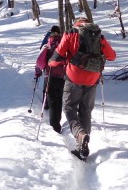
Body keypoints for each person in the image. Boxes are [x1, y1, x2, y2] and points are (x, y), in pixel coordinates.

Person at [49, 17, 116, 160]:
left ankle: (80, 134)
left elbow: (56, 58)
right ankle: (82, 147)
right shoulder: (98, 36)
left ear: (77, 24)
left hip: (74, 77)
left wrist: (51, 63)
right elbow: (112, 56)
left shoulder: (70, 34)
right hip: (93, 79)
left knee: (69, 108)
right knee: (86, 110)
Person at [34, 28, 66, 133]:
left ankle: (54, 126)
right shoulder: (63, 46)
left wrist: (42, 69)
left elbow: (39, 61)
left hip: (50, 76)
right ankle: (58, 122)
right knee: (59, 100)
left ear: (50, 35)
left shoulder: (47, 46)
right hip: (61, 77)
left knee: (52, 101)